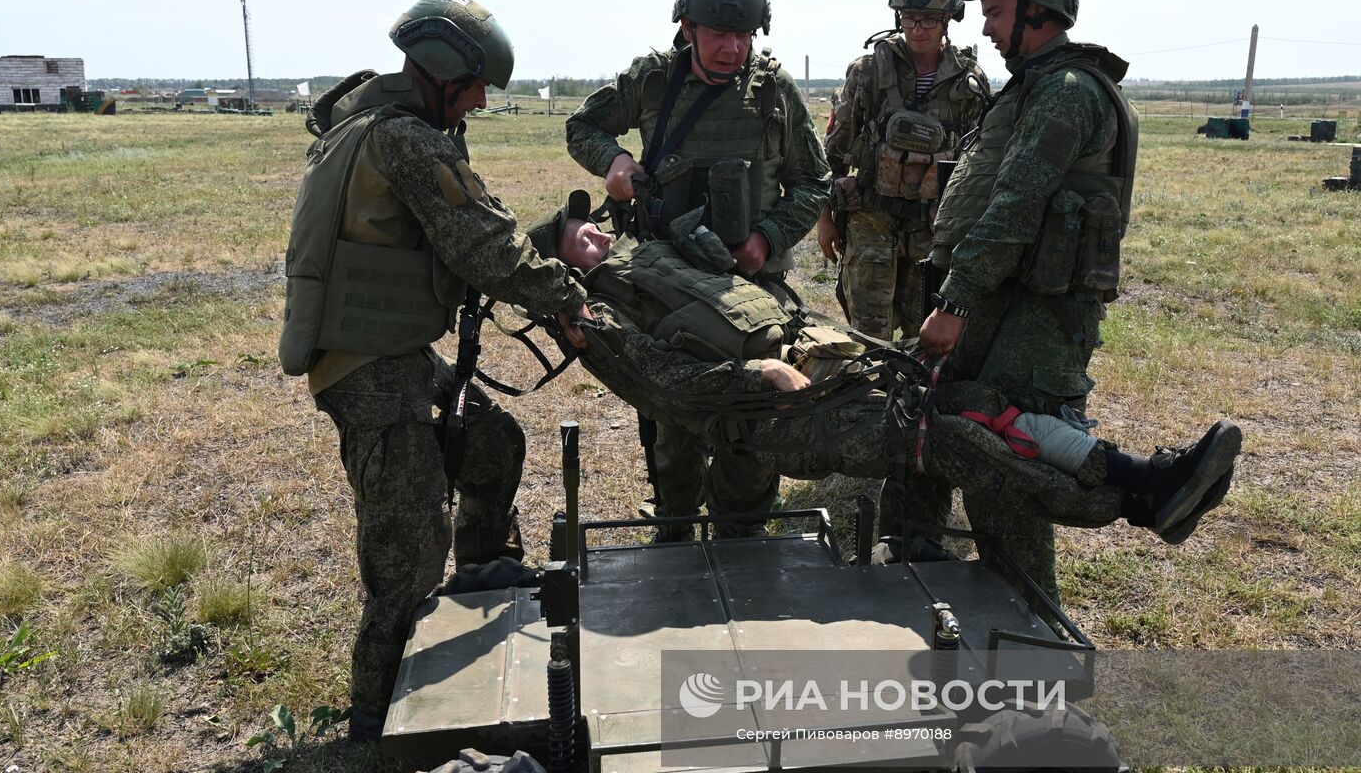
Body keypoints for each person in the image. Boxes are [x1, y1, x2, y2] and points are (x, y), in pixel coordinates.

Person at [528, 209, 1238, 555]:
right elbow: (667, 389)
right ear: (566, 269)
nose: (590, 233)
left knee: (975, 404)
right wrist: (755, 372)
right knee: (951, 441)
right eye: (573, 242)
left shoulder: (653, 253)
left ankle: (1146, 476)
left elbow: (750, 293)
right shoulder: (601, 317)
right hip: (776, 409)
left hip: (827, 359)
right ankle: (1130, 506)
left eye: (588, 225)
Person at [277, 0, 590, 742]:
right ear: (445, 74)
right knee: (410, 546)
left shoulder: (386, 125)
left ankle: (484, 583)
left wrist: (552, 240)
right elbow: (483, 249)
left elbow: (477, 227)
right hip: (367, 367)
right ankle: (376, 714)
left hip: (397, 351)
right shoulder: (407, 140)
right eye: (478, 84)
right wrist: (567, 297)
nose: (482, 101)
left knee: (492, 444)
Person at [901, 0, 1142, 602]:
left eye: (998, 11)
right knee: (928, 438)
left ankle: (1035, 661)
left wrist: (954, 302)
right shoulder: (1033, 86)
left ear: (1040, 11)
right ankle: (924, 594)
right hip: (995, 302)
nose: (984, 25)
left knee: (1006, 483)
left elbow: (1015, 206)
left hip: (1033, 320)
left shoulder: (1066, 91)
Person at [566, 0, 831, 541]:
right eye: (719, 34)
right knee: (672, 411)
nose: (733, 48)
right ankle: (676, 523)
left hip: (752, 285)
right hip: (668, 280)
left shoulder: (773, 91)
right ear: (686, 27)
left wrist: (768, 239)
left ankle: (742, 528)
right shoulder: (653, 80)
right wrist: (613, 162)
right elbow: (582, 127)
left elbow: (815, 180)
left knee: (754, 407)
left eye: (744, 36)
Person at [817, 0, 990, 340]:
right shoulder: (868, 72)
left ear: (947, 20)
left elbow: (980, 165)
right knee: (868, 336)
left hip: (933, 228)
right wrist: (825, 218)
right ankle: (869, 400)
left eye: (928, 19)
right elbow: (833, 152)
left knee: (922, 336)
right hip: (870, 220)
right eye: (909, 18)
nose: (917, 29)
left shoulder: (968, 81)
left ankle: (914, 400)